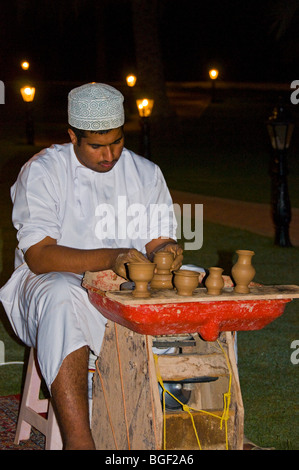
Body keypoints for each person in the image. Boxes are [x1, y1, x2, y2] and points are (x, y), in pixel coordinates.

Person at [0, 83, 183, 450]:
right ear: (72, 136)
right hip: (46, 287)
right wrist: (110, 258)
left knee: (193, 284)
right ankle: (79, 442)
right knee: (62, 293)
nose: (110, 154)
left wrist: (168, 249)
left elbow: (157, 241)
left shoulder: (145, 173)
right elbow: (39, 256)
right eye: (97, 145)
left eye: (116, 141)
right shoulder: (44, 171)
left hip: (124, 293)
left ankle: (180, 423)